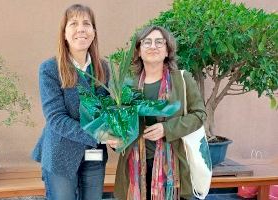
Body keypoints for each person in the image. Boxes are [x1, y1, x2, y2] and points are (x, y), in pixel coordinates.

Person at [107, 26, 206, 200]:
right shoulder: (127, 84)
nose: (153, 46)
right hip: (134, 168)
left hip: (173, 167)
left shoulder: (182, 79)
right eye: (147, 42)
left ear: (168, 50)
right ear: (138, 51)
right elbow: (119, 125)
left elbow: (199, 114)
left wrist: (167, 129)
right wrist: (115, 140)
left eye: (159, 42)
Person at [32, 4, 109, 200]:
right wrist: (99, 135)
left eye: (86, 23)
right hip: (61, 155)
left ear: (94, 32)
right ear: (64, 33)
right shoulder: (50, 68)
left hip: (94, 155)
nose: (81, 29)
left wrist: (119, 133)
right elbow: (56, 119)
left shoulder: (103, 68)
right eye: (73, 23)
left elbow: (109, 110)